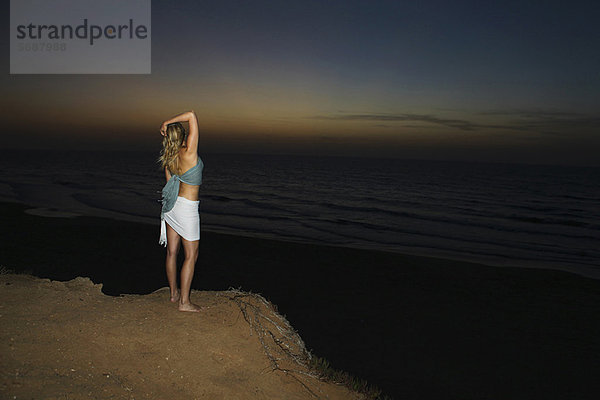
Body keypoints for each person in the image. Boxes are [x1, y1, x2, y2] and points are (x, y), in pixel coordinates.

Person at [158, 110, 205, 312]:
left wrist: (166, 128)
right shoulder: (188, 152)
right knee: (191, 255)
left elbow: (170, 184)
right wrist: (167, 122)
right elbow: (192, 115)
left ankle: (173, 294)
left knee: (171, 252)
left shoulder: (170, 158)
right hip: (186, 209)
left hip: (171, 208)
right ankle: (184, 303)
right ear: (183, 136)